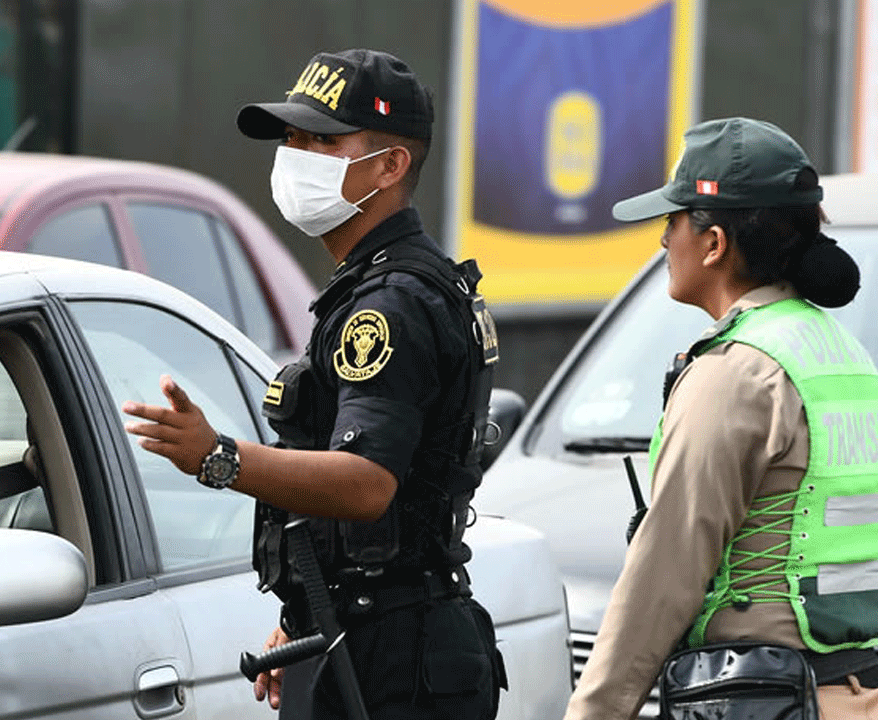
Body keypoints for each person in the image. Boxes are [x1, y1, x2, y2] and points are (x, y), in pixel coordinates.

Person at [122, 48, 504, 719]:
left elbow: (366, 483)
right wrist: (310, 609)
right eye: (292, 138)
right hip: (370, 631)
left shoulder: (392, 303)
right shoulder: (383, 285)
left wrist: (219, 457)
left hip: (395, 658)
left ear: (389, 166)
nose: (294, 154)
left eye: (321, 141)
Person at [565, 117, 878, 720]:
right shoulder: (843, 355)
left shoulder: (737, 372)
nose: (663, 242)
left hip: (774, 701)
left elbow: (664, 575)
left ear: (713, 244)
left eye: (672, 222)